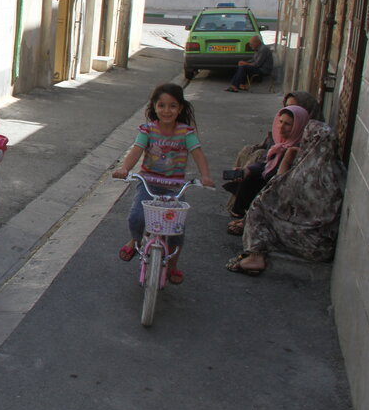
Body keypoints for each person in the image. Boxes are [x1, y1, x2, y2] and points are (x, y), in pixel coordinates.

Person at [112, 83, 215, 284]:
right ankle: (134, 240)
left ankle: (173, 264)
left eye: (172, 106)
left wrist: (206, 176)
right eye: (161, 106)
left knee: (176, 230)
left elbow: (198, 154)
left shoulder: (186, 133)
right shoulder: (148, 129)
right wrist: (125, 168)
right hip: (148, 183)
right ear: (154, 107)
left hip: (174, 188)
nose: (167, 111)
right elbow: (136, 149)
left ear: (180, 109)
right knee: (136, 218)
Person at [227, 121, 346, 275]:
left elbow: (273, 191)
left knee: (259, 206)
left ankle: (255, 256)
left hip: (306, 243)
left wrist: (288, 158)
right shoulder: (338, 172)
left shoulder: (304, 175)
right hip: (325, 245)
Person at [225, 105, 309, 235]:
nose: (281, 127)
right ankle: (245, 217)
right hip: (270, 183)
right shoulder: (279, 143)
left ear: (298, 127)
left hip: (283, 193)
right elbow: (265, 163)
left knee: (264, 186)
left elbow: (282, 180)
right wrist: (248, 170)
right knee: (249, 178)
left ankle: (251, 222)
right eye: (280, 122)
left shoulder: (299, 150)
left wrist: (288, 156)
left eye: (288, 124)